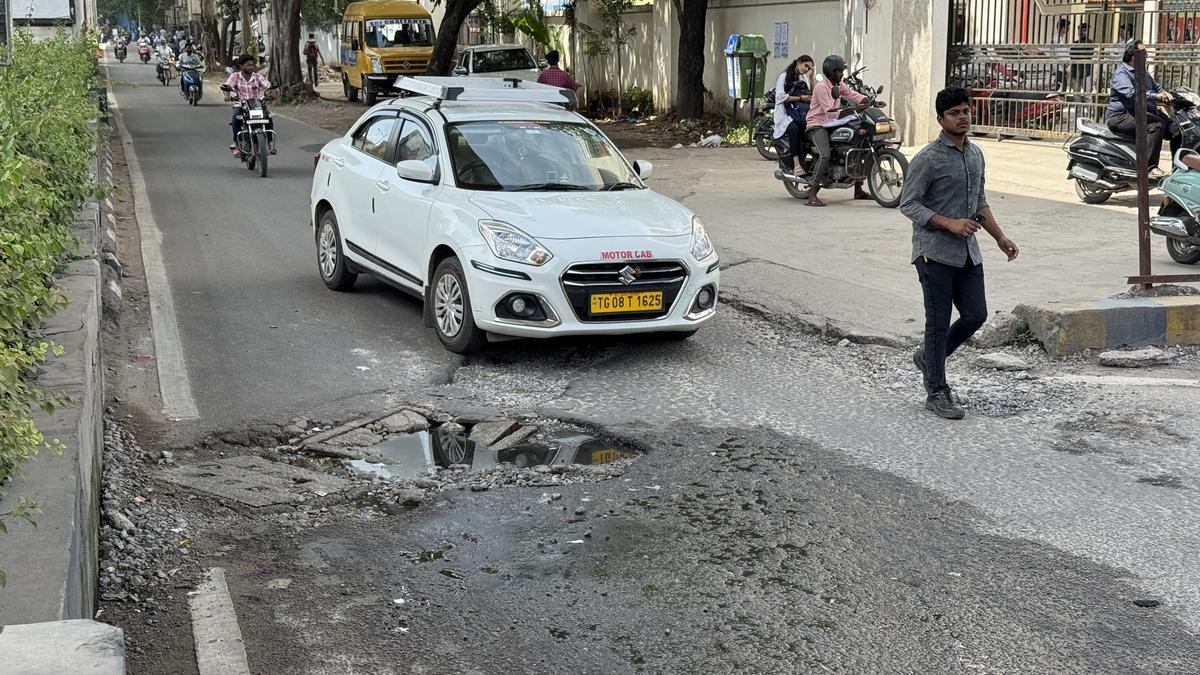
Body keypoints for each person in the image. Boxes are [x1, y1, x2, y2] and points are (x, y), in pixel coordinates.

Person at [900, 87, 1019, 420]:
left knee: (976, 314)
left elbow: (979, 201)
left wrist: (1000, 237)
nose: (963, 117)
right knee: (937, 323)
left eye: (966, 110)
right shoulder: (927, 159)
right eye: (954, 113)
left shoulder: (975, 154)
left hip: (968, 252)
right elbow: (907, 203)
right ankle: (936, 390)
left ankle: (929, 358)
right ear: (941, 120)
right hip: (933, 253)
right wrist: (948, 224)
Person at [1105, 40, 1177, 179]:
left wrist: (1166, 94)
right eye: (1144, 53)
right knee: (1155, 124)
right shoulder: (1121, 74)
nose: (1147, 55)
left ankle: (1178, 170)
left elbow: (1156, 87)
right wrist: (1157, 97)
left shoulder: (1142, 71)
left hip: (1141, 112)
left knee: (1176, 129)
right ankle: (1149, 168)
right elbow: (1133, 94)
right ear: (1133, 56)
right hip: (1121, 116)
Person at [805, 54, 869, 207]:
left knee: (859, 146)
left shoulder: (839, 84)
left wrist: (865, 99)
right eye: (839, 71)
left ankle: (858, 189)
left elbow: (851, 93)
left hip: (834, 122)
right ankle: (812, 194)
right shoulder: (821, 87)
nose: (842, 74)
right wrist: (853, 108)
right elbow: (830, 111)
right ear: (831, 71)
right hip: (818, 124)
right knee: (825, 155)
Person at [224, 54, 275, 156]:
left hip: (256, 104)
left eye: (252, 65)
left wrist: (270, 89)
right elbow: (227, 86)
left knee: (268, 117)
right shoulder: (235, 76)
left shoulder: (257, 76)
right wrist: (227, 95)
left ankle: (269, 143)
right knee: (235, 118)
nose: (251, 67)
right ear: (241, 66)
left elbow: (266, 84)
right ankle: (237, 145)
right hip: (241, 104)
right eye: (248, 65)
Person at [772, 55, 814, 179]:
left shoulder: (804, 77)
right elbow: (779, 98)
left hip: (800, 113)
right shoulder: (784, 77)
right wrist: (800, 98)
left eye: (809, 68)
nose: (806, 69)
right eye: (806, 66)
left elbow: (811, 95)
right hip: (785, 114)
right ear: (798, 62)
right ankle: (796, 164)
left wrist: (812, 78)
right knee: (794, 129)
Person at [1051, 18, 1070, 92]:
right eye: (1067, 27)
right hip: (1060, 69)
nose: (1068, 29)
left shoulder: (1060, 39)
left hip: (1062, 68)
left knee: (1061, 90)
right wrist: (1066, 68)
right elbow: (1060, 56)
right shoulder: (1057, 39)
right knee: (1059, 91)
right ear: (1063, 28)